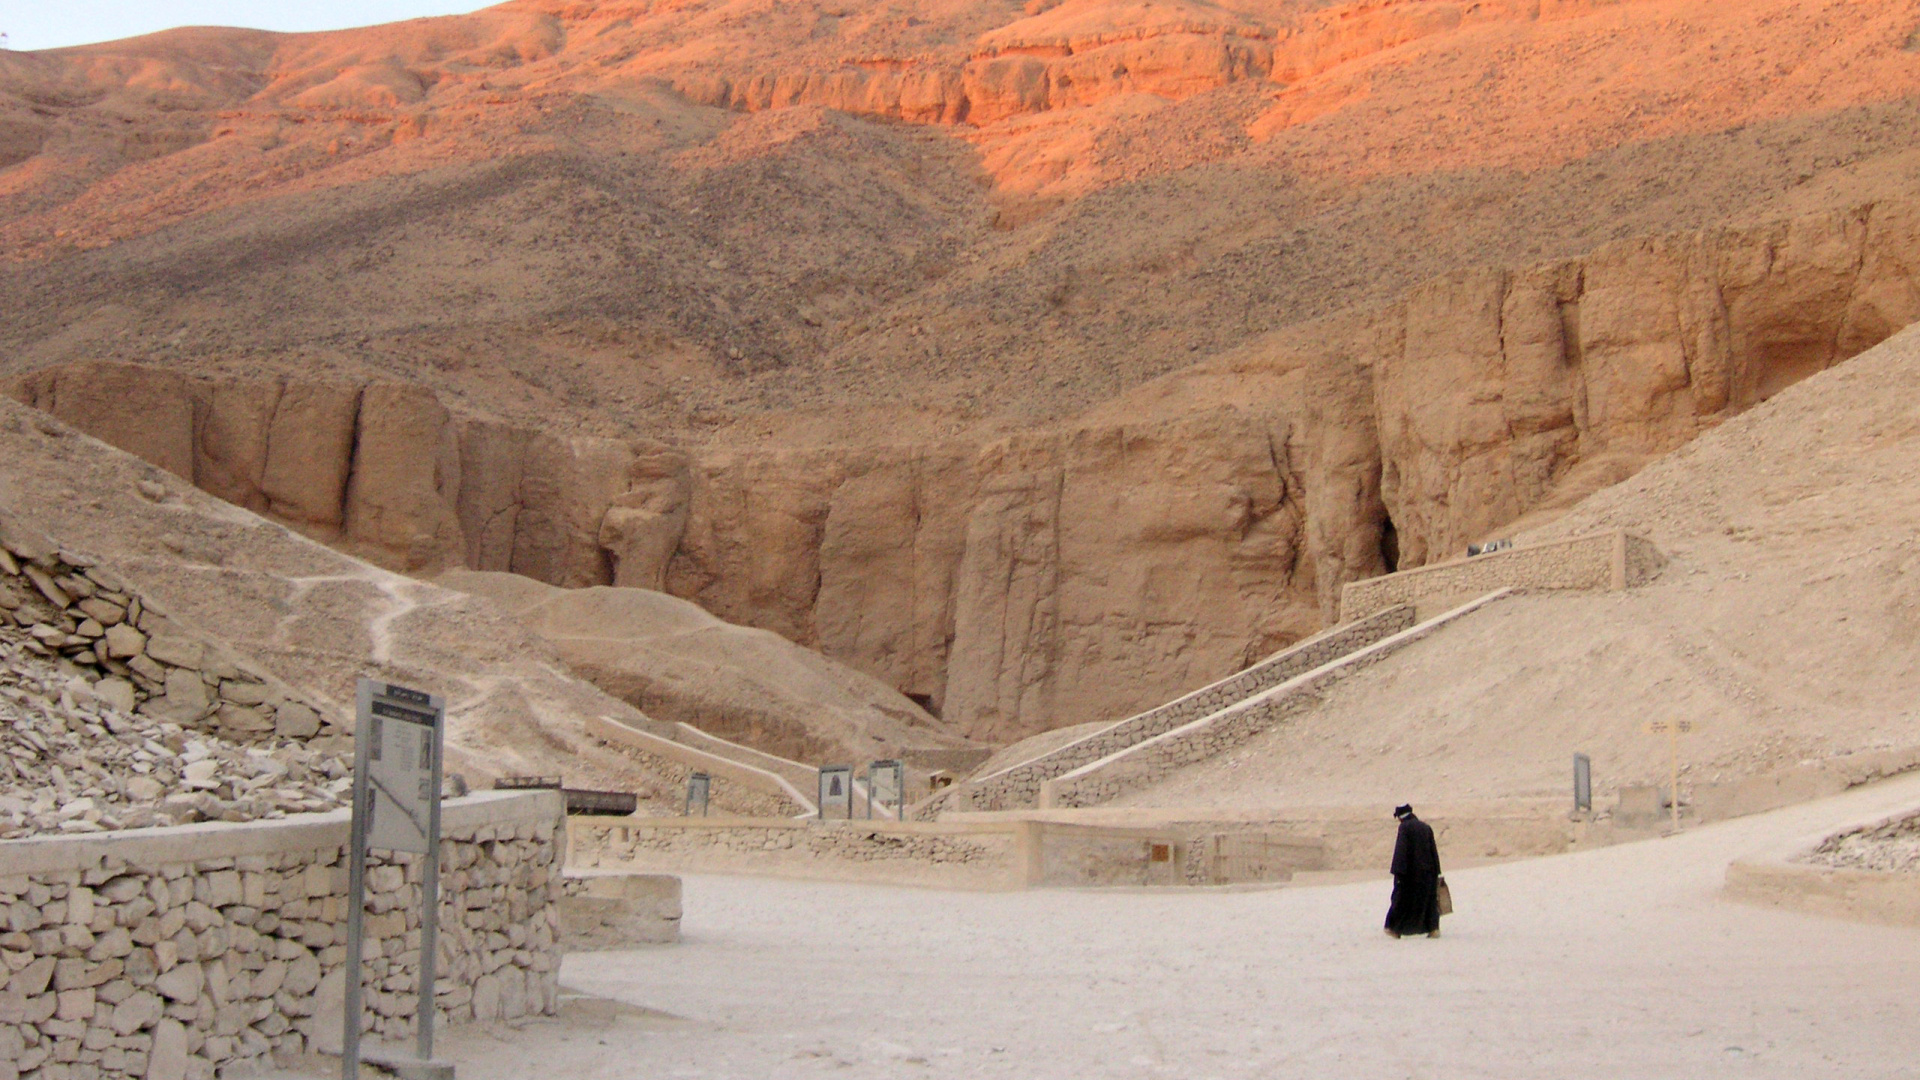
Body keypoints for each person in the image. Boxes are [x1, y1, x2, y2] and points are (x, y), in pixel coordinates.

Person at [1384, 804, 1443, 938]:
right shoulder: (1426, 827)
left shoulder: (1404, 828)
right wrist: (1436, 871)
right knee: (1428, 901)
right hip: (1428, 872)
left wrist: (1398, 872)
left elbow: (1401, 850)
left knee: (1401, 899)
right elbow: (1433, 851)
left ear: (1400, 818)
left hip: (1410, 873)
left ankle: (1394, 929)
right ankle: (1433, 928)